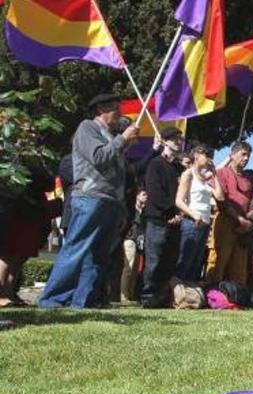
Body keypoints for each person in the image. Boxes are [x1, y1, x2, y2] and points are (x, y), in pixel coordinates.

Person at [40, 94, 139, 309]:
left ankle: (84, 300)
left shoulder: (109, 135)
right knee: (76, 248)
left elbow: (117, 172)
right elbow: (99, 158)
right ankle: (53, 300)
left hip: (110, 202)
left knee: (99, 255)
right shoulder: (88, 128)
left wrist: (124, 144)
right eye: (116, 109)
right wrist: (122, 140)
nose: (120, 114)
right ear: (101, 109)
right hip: (90, 198)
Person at [140, 127, 186, 307]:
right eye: (174, 139)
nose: (178, 142)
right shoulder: (155, 164)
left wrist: (180, 214)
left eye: (179, 139)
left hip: (174, 221)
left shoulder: (178, 168)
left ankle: (161, 297)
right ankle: (147, 297)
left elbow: (183, 195)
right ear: (165, 141)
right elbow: (156, 193)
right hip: (158, 219)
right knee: (154, 261)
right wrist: (171, 212)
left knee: (169, 261)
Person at [0, 160, 53, 307]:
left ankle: (10, 292)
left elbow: (50, 183)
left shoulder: (37, 160)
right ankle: (1, 294)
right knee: (8, 255)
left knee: (19, 256)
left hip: (33, 212)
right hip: (15, 212)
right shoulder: (13, 158)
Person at [206, 141, 253, 285]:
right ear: (232, 155)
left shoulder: (248, 179)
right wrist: (239, 219)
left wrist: (250, 221)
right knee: (219, 261)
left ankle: (234, 297)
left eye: (249, 155)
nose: (246, 158)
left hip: (244, 228)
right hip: (225, 222)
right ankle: (213, 295)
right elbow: (222, 201)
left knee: (239, 266)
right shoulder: (222, 173)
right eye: (243, 154)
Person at [174, 144, 214, 283]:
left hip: (205, 222)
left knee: (196, 262)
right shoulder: (188, 174)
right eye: (206, 155)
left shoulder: (204, 177)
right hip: (192, 222)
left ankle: (189, 295)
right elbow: (179, 200)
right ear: (196, 155)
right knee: (185, 260)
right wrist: (194, 214)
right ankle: (177, 293)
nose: (209, 158)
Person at [120, 189, 147, 302]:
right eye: (144, 194)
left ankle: (130, 294)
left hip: (140, 241)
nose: (146, 197)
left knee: (136, 269)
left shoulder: (145, 211)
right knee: (129, 268)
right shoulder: (131, 210)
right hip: (130, 239)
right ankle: (124, 295)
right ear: (137, 196)